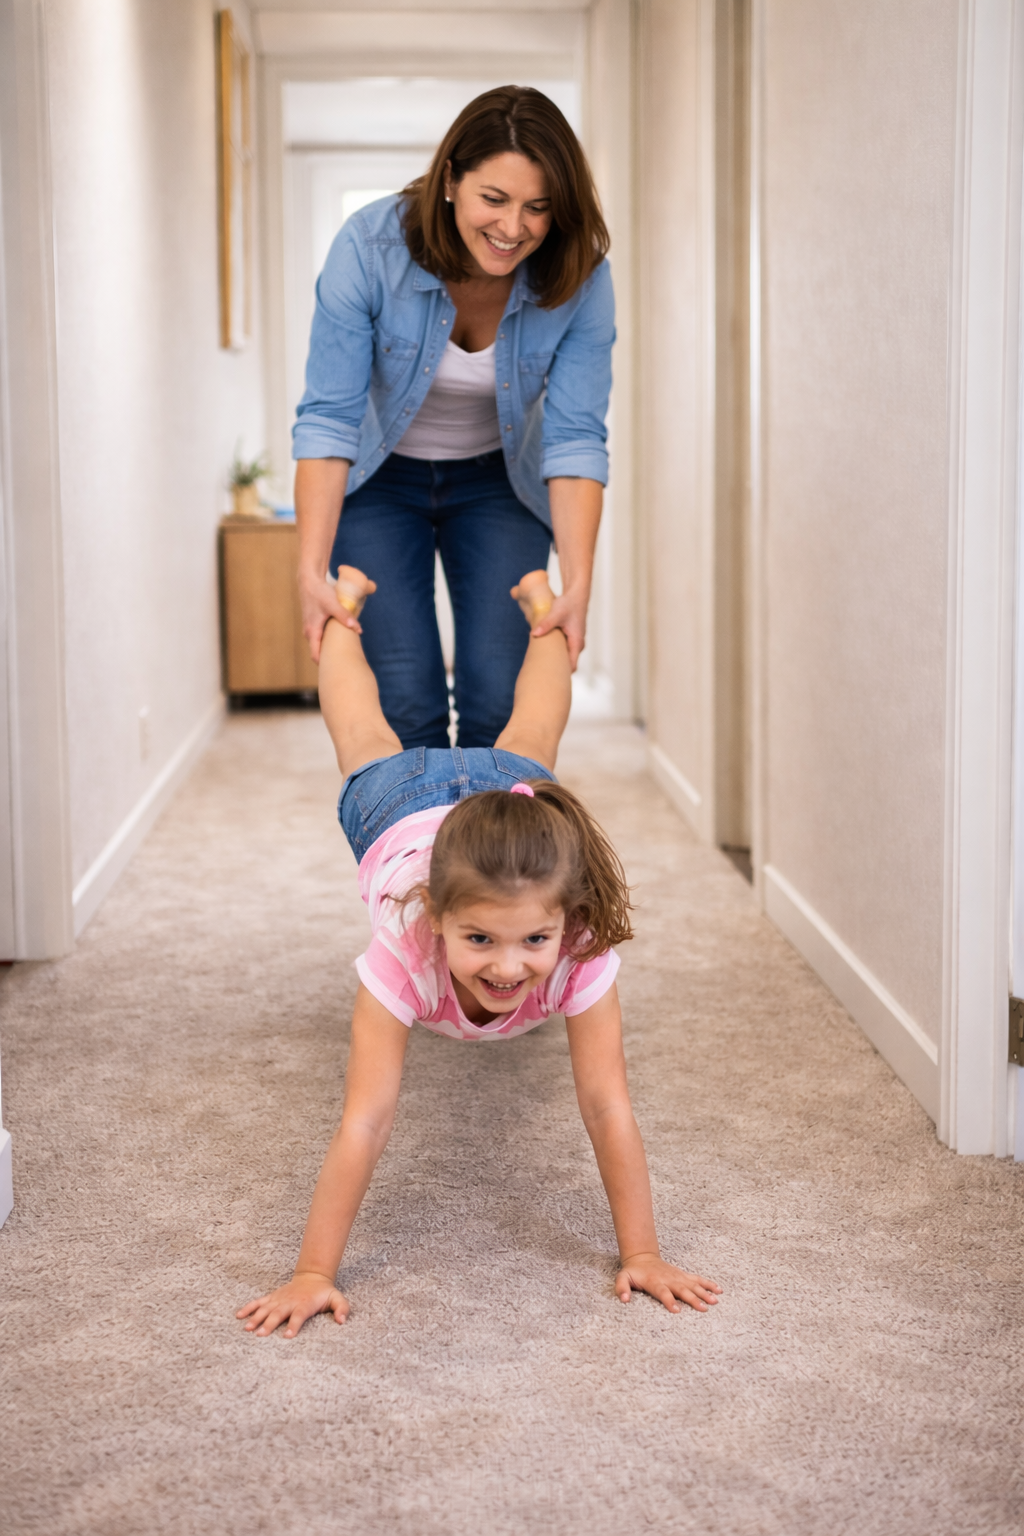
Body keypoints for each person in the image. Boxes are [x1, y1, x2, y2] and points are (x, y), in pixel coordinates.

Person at [237, 571, 722, 1338]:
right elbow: (365, 1119)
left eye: (535, 939)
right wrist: (312, 1273)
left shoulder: (581, 944)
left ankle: (542, 609)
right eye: (477, 940)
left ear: (569, 920)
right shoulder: (405, 946)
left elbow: (606, 1103)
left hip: (506, 797)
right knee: (360, 732)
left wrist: (644, 1251)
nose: (507, 966)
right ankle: (343, 609)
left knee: (533, 734)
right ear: (434, 914)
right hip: (399, 804)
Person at [292, 84, 615, 750]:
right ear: (449, 181)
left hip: (498, 483)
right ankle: (423, 857)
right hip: (382, 484)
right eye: (493, 199)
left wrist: (578, 583)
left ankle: (480, 858)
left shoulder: (580, 274)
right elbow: (329, 418)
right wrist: (309, 569)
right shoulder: (368, 248)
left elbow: (577, 435)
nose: (512, 227)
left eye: (538, 208)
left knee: (499, 701)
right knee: (405, 702)